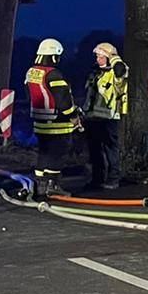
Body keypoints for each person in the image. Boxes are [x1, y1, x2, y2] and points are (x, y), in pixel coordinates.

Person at [25, 38, 80, 197]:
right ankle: (52, 185)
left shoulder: (31, 72)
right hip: (57, 123)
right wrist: (73, 115)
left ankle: (39, 185)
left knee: (44, 153)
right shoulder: (54, 74)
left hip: (39, 122)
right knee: (58, 153)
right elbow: (63, 99)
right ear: (53, 56)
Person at [81, 42, 129, 191]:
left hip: (109, 118)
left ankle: (113, 179)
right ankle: (97, 179)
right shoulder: (95, 73)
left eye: (100, 56)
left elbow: (120, 70)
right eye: (97, 56)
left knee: (110, 150)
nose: (98, 59)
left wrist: (113, 57)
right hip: (92, 118)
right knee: (94, 150)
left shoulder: (116, 73)